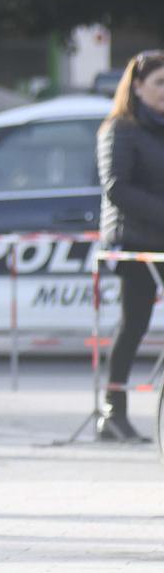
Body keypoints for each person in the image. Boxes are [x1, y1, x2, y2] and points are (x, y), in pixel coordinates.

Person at [96, 50, 164, 441]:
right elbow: (116, 187)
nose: (163, 92)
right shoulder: (120, 128)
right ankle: (113, 411)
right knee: (134, 323)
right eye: (158, 83)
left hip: (160, 240)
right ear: (136, 86)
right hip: (134, 242)